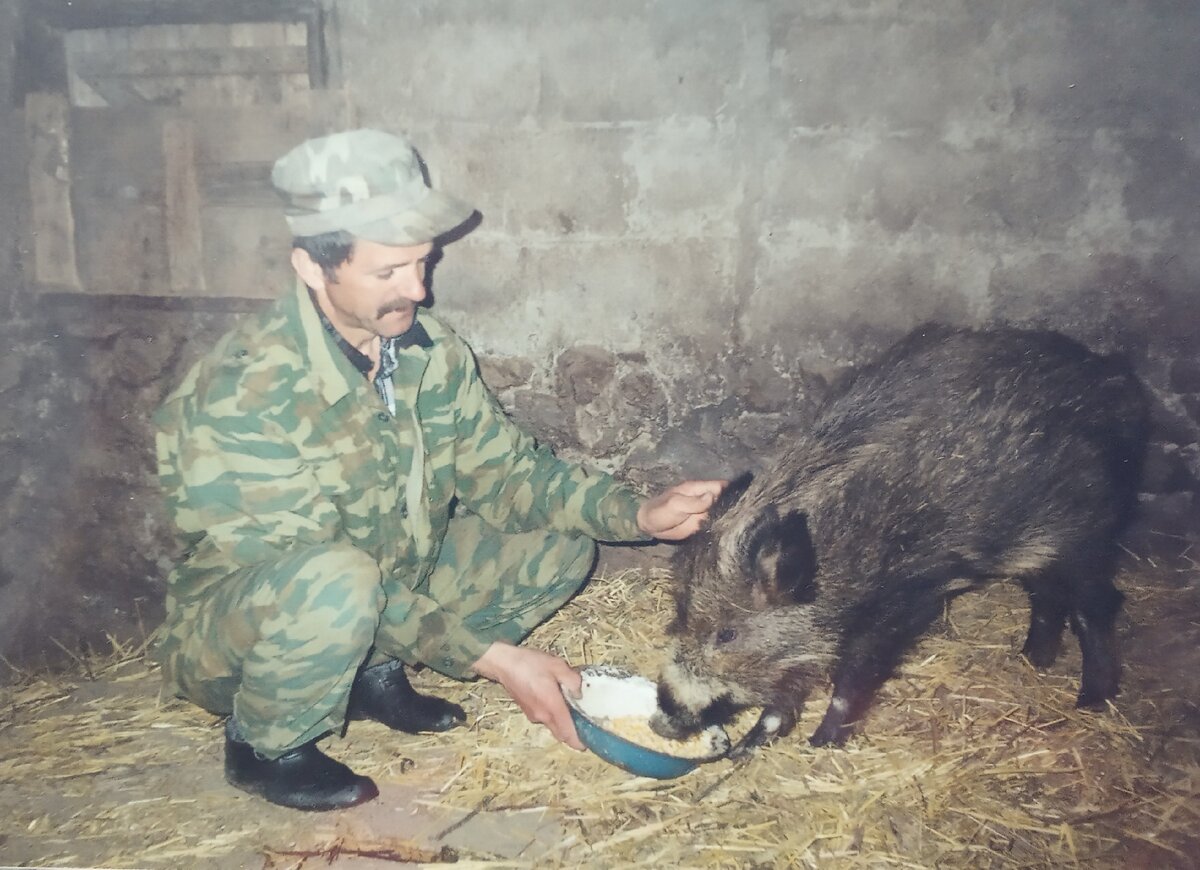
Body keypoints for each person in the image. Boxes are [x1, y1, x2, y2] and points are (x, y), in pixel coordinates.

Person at [153, 128, 724, 812]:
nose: (418, 290)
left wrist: (638, 513)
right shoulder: (242, 394)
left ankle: (374, 676)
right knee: (339, 583)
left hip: (375, 591)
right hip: (248, 635)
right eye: (388, 272)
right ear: (311, 266)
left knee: (559, 547)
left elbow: (509, 474)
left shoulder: (428, 353)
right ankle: (266, 745)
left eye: (422, 263)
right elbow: (313, 570)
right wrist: (495, 659)